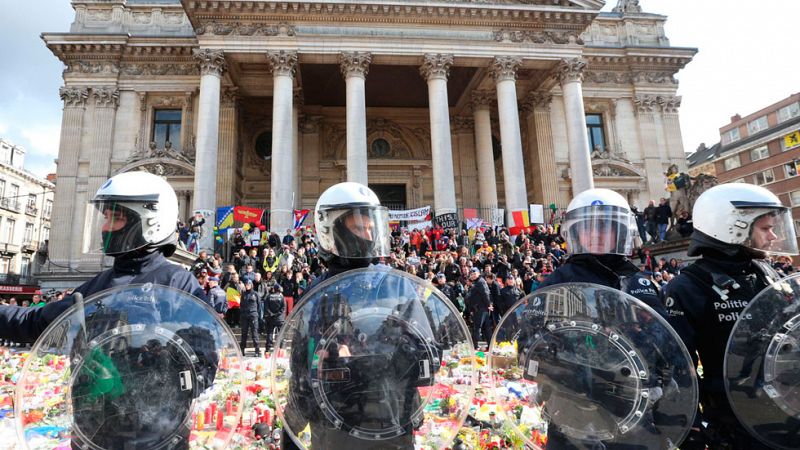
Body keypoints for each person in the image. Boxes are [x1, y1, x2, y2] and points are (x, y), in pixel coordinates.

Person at [0, 171, 209, 449]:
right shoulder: (98, 285)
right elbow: (35, 322)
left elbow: (202, 366)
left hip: (153, 437)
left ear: (150, 221)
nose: (106, 227)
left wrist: (129, 383)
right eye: (106, 217)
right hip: (93, 434)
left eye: (117, 217)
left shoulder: (177, 283)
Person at [663, 183, 798, 449]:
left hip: (788, 413)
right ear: (734, 228)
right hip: (736, 426)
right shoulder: (688, 287)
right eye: (765, 229)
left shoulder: (768, 274)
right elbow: (678, 370)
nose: (773, 237)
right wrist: (690, 428)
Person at [539, 188, 665, 316]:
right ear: (576, 234)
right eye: (587, 228)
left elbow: (662, 330)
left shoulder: (639, 284)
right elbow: (532, 331)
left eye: (604, 226)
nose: (595, 234)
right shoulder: (557, 282)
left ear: (619, 233)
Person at [239, 279, 261, 356]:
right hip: (245, 316)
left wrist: (255, 313)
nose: (247, 286)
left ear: (251, 285)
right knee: (244, 333)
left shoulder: (255, 294)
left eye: (249, 284)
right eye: (246, 284)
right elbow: (241, 305)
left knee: (254, 333)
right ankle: (242, 350)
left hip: (253, 315)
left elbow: (259, 306)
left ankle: (257, 350)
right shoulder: (243, 294)